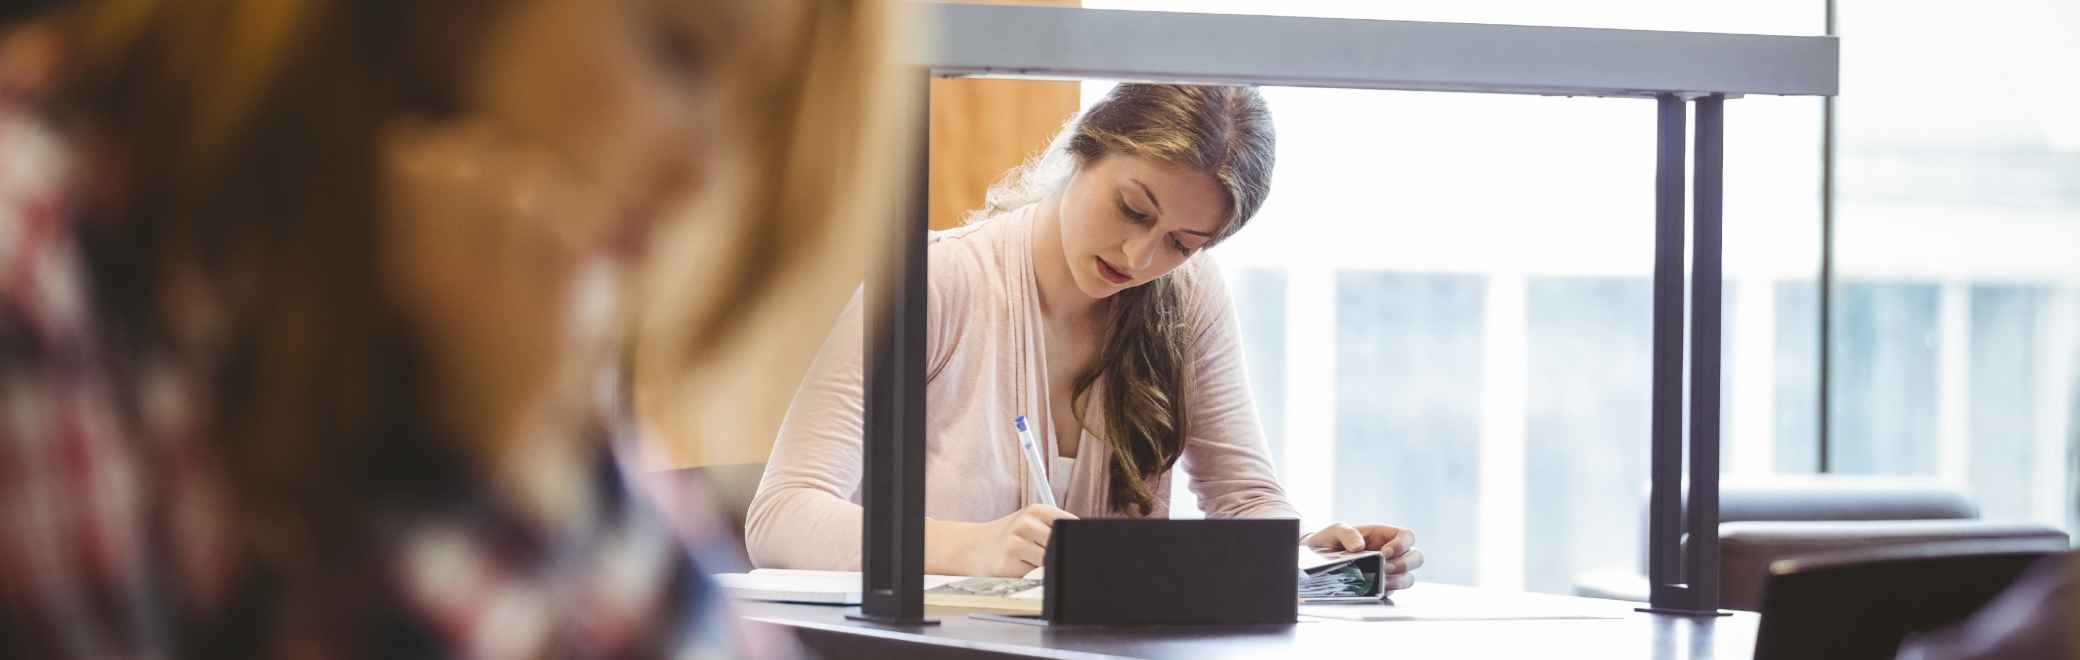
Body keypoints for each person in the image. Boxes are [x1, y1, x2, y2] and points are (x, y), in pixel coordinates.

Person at [0, 0, 892, 656]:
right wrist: (480, 480)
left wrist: (542, 472)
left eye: (752, 114)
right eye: (679, 54)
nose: (704, 169)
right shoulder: (39, 263)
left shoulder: (502, 316)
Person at [747, 83, 1426, 584]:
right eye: (1132, 209)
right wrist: (970, 548)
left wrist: (1311, 557)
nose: (1139, 259)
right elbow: (779, 518)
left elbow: (1245, 500)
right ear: (1084, 150)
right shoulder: (933, 282)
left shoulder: (1187, 298)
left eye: (1182, 243)